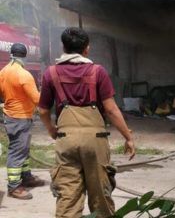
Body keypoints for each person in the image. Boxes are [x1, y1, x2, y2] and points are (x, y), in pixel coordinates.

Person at [38, 27, 136, 218]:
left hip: (66, 140)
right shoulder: (98, 72)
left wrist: (51, 129)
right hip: (95, 141)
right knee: (100, 195)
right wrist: (128, 137)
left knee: (68, 197)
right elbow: (111, 109)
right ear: (87, 49)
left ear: (63, 47)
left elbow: (42, 110)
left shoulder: (51, 73)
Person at [0, 42, 43, 200]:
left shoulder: (3, 71)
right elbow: (37, 99)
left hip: (10, 116)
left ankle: (26, 177)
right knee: (17, 151)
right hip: (20, 117)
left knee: (22, 149)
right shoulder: (24, 75)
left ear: (11, 53)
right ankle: (14, 187)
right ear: (25, 56)